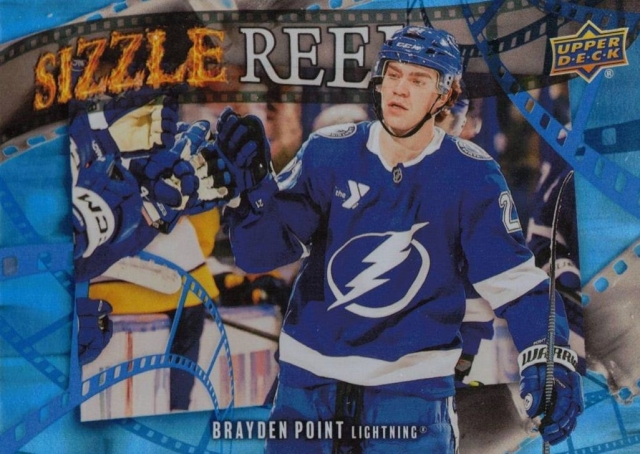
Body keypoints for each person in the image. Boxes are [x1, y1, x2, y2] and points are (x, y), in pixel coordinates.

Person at [219, 25, 583, 453]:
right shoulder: (328, 151)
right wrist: (251, 199)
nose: (400, 88)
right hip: (308, 388)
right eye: (393, 74)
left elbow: (516, 285)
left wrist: (548, 352)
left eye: (418, 79)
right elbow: (260, 254)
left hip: (409, 399)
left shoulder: (472, 174)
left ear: (444, 95)